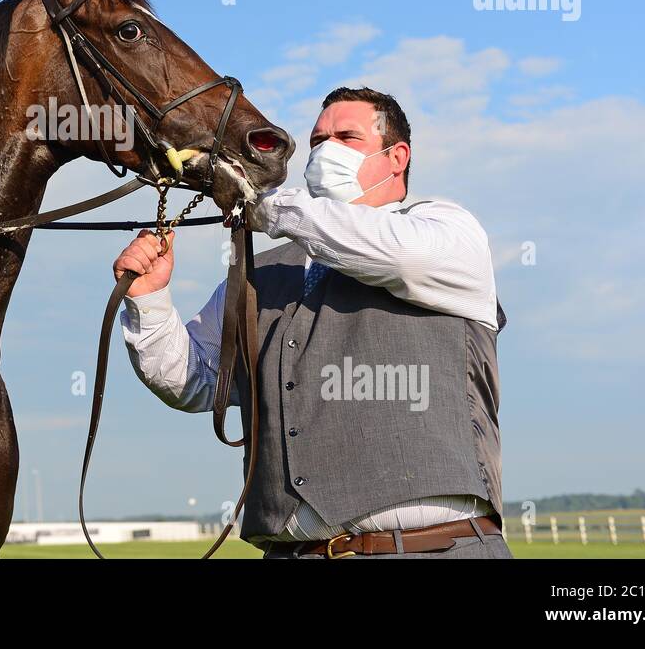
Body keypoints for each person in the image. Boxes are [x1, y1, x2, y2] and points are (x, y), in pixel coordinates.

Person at [115, 86, 511, 558]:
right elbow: (195, 381)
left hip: (433, 550)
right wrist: (150, 298)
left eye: (347, 137)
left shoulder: (446, 229)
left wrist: (263, 203)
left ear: (397, 156)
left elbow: (397, 256)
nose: (326, 152)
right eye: (318, 140)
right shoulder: (260, 271)